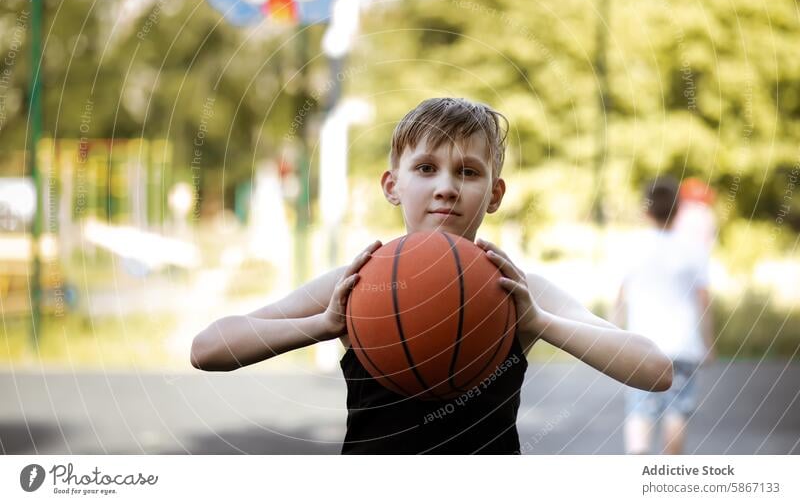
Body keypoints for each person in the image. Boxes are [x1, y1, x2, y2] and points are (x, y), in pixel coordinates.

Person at [191, 97, 673, 454]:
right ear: (392, 185)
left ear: (495, 192)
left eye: (467, 172)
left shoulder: (519, 292)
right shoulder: (357, 283)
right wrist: (324, 325)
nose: (446, 187)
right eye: (425, 168)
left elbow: (655, 370)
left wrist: (540, 322)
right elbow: (208, 349)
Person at [611, 176, 715, 455]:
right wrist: (708, 343)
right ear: (679, 210)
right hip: (684, 345)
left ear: (646, 210)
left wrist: (612, 333)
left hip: (641, 346)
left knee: (639, 410)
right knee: (676, 413)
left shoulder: (633, 246)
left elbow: (620, 296)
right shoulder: (694, 250)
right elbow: (703, 300)